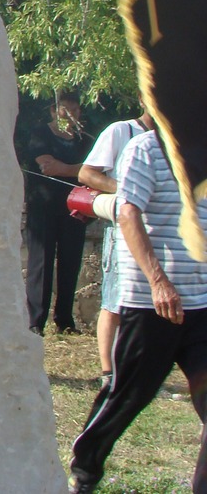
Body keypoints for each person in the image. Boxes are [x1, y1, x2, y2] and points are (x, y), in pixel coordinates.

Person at [68, 131, 207, 493]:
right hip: (151, 304)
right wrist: (158, 281)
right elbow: (128, 212)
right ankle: (85, 470)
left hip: (202, 305)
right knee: (127, 397)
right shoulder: (147, 148)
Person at [77, 108, 154, 387]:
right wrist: (124, 188)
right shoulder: (121, 131)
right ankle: (108, 373)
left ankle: (139, 371)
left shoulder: (169, 138)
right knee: (115, 301)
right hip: (123, 230)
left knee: (147, 304)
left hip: (157, 234)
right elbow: (87, 173)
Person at [23, 92, 92, 335]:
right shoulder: (40, 133)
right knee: (41, 262)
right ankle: (35, 321)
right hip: (43, 207)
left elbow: (96, 169)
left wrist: (70, 169)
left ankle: (65, 320)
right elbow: (47, 166)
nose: (70, 114)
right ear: (54, 111)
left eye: (75, 109)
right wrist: (79, 170)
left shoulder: (83, 140)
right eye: (65, 109)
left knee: (70, 262)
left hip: (75, 209)